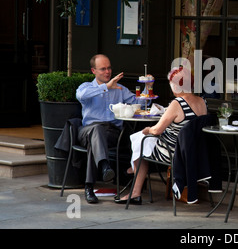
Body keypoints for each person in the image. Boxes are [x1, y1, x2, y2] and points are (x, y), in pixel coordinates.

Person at [115, 66, 207, 205]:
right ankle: (132, 172)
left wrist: (147, 130)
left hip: (174, 152)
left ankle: (135, 191)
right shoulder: (202, 101)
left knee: (140, 140)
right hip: (195, 152)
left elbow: (157, 130)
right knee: (143, 141)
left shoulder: (177, 103)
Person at [76, 54, 144, 204]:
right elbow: (81, 95)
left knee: (95, 140)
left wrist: (148, 87)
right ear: (93, 71)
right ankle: (104, 166)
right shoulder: (86, 87)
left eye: (109, 68)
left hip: (112, 133)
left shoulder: (120, 89)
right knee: (96, 131)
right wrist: (106, 88)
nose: (107, 72)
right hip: (87, 130)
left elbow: (139, 103)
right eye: (103, 69)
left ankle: (90, 185)